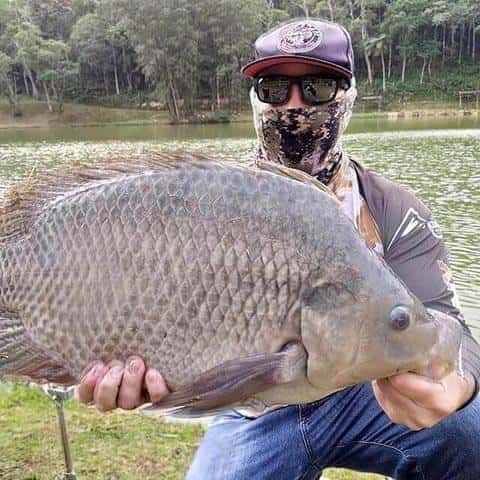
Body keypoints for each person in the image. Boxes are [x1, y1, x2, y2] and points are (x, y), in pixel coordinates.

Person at [76, 19, 480, 479]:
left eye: (317, 87)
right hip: (252, 404)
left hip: (362, 393)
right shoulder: (205, 201)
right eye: (273, 89)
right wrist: (125, 361)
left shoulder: (392, 209)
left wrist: (460, 383)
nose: (294, 105)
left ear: (347, 96)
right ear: (255, 99)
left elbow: (447, 324)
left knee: (471, 433)